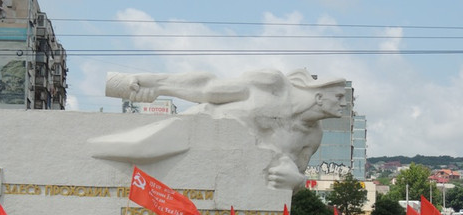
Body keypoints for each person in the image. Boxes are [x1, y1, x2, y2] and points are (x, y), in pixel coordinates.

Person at [101, 69, 346, 191]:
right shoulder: (272, 85)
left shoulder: (312, 135)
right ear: (319, 97)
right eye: (339, 97)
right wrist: (146, 83)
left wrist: (296, 181)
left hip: (223, 174)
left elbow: (294, 175)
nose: (344, 104)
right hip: (195, 132)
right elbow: (209, 88)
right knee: (123, 149)